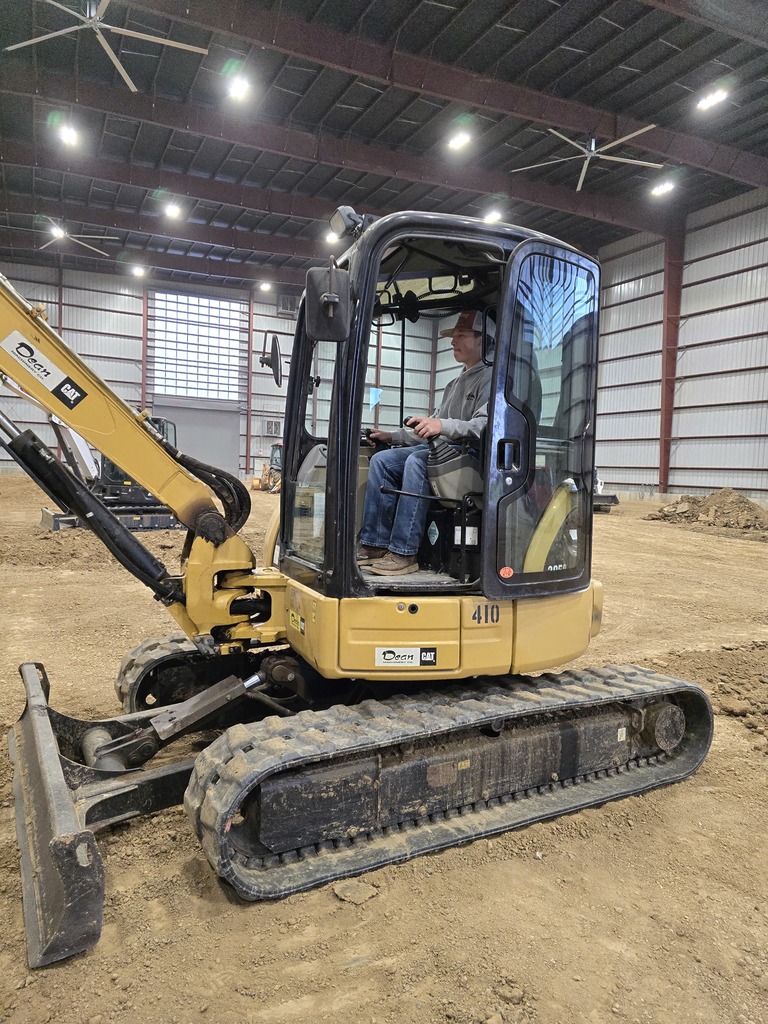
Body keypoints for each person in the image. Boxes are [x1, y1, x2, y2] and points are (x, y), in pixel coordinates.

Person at [357, 309, 494, 576]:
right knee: (382, 460)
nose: (453, 341)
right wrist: (392, 436)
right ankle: (375, 544)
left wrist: (442, 426)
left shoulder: (491, 379)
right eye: (452, 336)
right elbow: (431, 426)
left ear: (483, 339)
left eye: (461, 335)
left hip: (472, 457)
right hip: (446, 451)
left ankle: (404, 552)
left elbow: (483, 426)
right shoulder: (454, 383)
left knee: (418, 461)